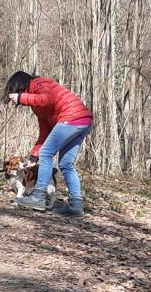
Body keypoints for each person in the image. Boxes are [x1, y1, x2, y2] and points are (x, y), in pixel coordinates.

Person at [6, 71, 93, 217]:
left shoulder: (39, 83)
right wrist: (34, 156)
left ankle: (38, 197)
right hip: (83, 121)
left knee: (46, 154)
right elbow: (45, 132)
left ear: (20, 87)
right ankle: (76, 206)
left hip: (71, 118)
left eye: (16, 93)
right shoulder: (37, 106)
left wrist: (22, 98)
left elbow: (48, 98)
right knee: (66, 164)